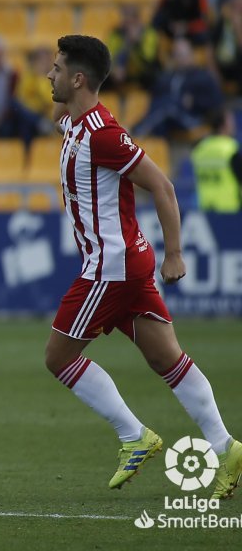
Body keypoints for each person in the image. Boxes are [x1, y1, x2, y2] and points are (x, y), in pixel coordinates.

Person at [43, 34, 241, 499]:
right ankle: (226, 447)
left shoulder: (104, 136)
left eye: (56, 69)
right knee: (165, 358)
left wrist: (175, 252)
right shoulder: (75, 123)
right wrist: (63, 86)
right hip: (127, 262)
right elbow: (60, 110)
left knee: (57, 357)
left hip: (109, 267)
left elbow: (163, 187)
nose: (47, 75)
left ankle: (134, 436)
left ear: (78, 79)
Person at [134, 37, 224, 137]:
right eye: (177, 55)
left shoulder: (203, 76)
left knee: (169, 105)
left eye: (184, 55)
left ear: (191, 55)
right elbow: (154, 92)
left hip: (193, 118)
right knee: (163, 104)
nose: (181, 59)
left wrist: (194, 101)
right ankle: (154, 145)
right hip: (171, 118)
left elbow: (217, 100)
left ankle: (137, 132)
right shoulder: (169, 76)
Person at [190, 108, 242, 211]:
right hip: (230, 210)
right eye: (230, 121)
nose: (233, 125)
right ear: (223, 126)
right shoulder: (229, 149)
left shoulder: (199, 149)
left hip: (206, 209)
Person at [105, 4, 161, 91]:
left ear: (137, 20)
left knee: (153, 76)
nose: (127, 25)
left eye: (131, 21)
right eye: (125, 19)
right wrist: (114, 70)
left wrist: (137, 43)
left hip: (141, 72)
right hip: (122, 72)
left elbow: (149, 59)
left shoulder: (149, 33)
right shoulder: (116, 34)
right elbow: (109, 57)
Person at [210, 0, 242, 90]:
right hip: (221, 63)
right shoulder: (222, 22)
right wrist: (212, 68)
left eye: (239, 7)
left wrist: (237, 28)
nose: (236, 10)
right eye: (234, 6)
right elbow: (210, 45)